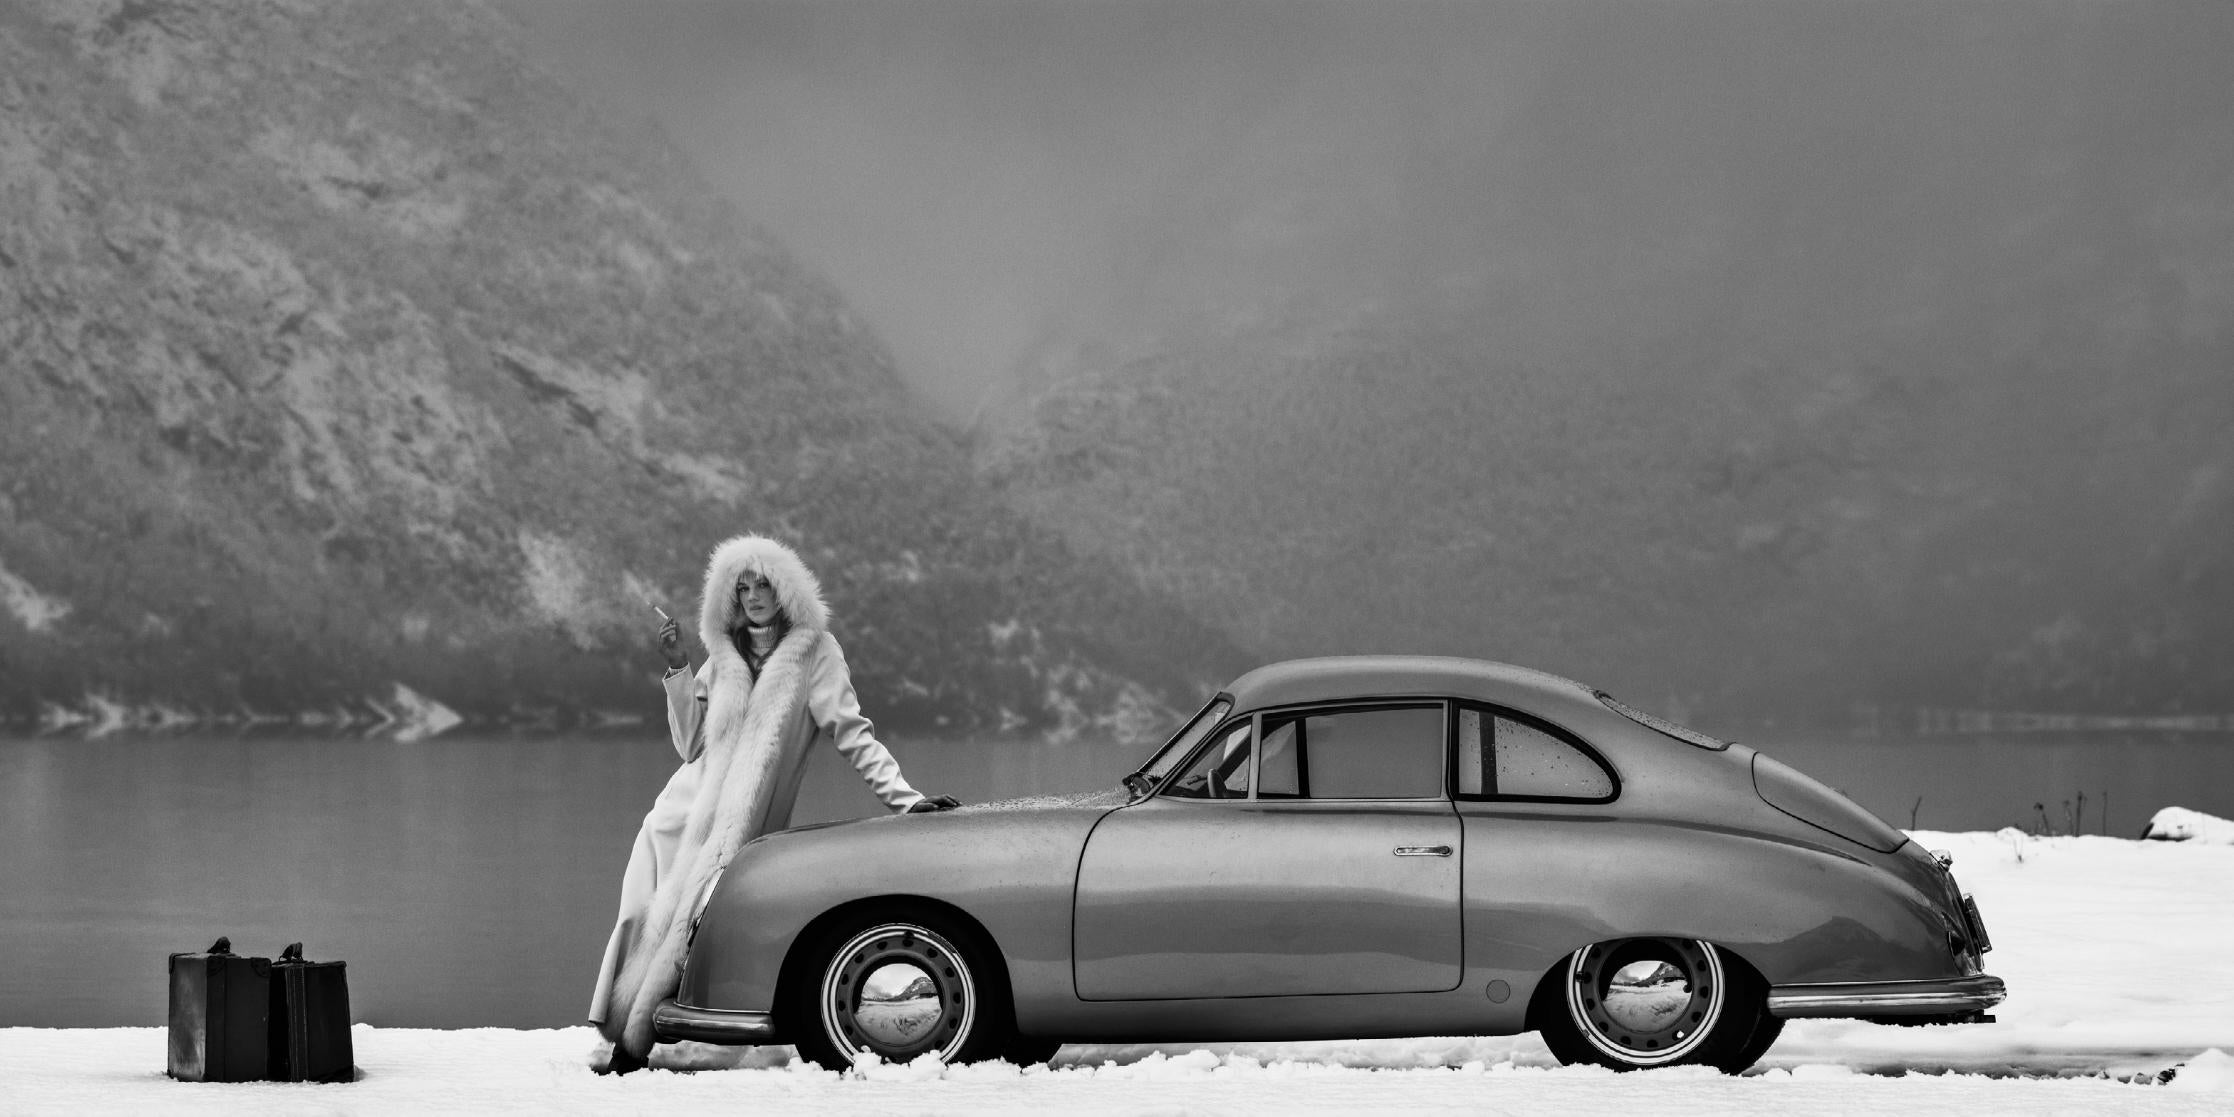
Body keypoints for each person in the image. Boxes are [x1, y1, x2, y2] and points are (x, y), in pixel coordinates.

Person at [587, 533, 958, 1072]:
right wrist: (677, 669)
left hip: (739, 830)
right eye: (743, 587)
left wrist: (907, 801)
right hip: (677, 817)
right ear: (729, 597)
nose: (754, 595)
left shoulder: (815, 653)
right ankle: (620, 1034)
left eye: (764, 583)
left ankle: (640, 1040)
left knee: (688, 926)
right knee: (640, 918)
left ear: (786, 588)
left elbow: (854, 735)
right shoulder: (724, 656)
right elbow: (692, 745)